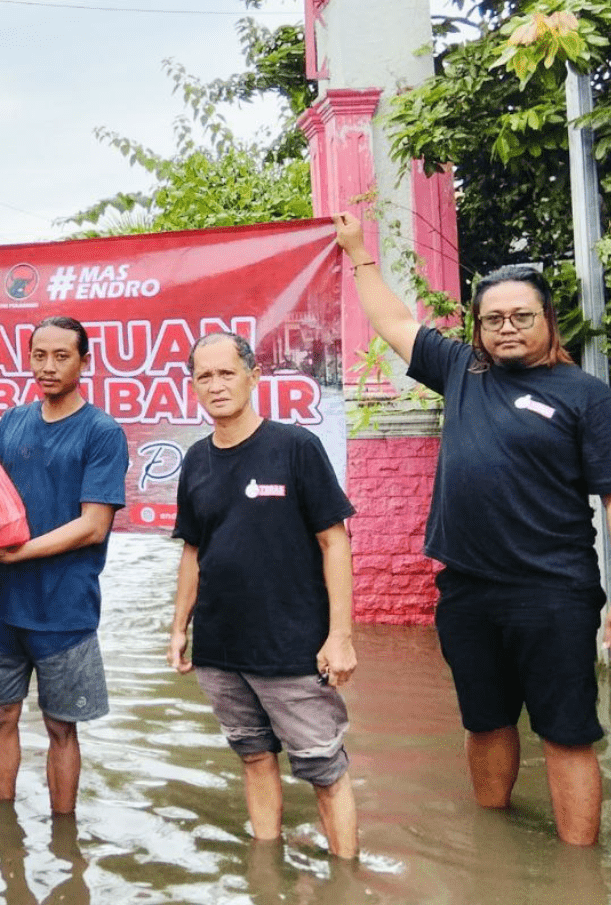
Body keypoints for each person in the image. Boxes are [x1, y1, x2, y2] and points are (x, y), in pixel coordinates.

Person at [334, 211, 611, 846]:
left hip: (554, 592)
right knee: (485, 723)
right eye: (493, 319)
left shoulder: (585, 397)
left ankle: (577, 869)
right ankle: (497, 846)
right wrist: (359, 254)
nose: (507, 327)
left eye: (521, 316)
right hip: (467, 591)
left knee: (568, 733)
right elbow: (396, 323)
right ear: (479, 329)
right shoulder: (463, 372)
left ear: (547, 321)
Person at [167, 331, 359, 858]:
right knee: (253, 757)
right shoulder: (196, 460)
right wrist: (179, 627)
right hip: (220, 649)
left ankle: (346, 878)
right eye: (203, 376)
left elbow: (334, 541)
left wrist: (339, 636)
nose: (216, 384)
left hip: (292, 647)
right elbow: (193, 551)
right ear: (193, 387)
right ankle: (267, 871)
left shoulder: (295, 447)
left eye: (226, 372)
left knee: (323, 768)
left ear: (253, 377)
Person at [0, 315, 129, 815]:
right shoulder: (12, 422)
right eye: (40, 355)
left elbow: (93, 526)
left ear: (85, 362)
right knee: (0, 717)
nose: (48, 367)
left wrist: (17, 552)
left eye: (62, 357)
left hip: (65, 610)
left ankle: (64, 833)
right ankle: (4, 827)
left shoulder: (102, 432)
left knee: (61, 726)